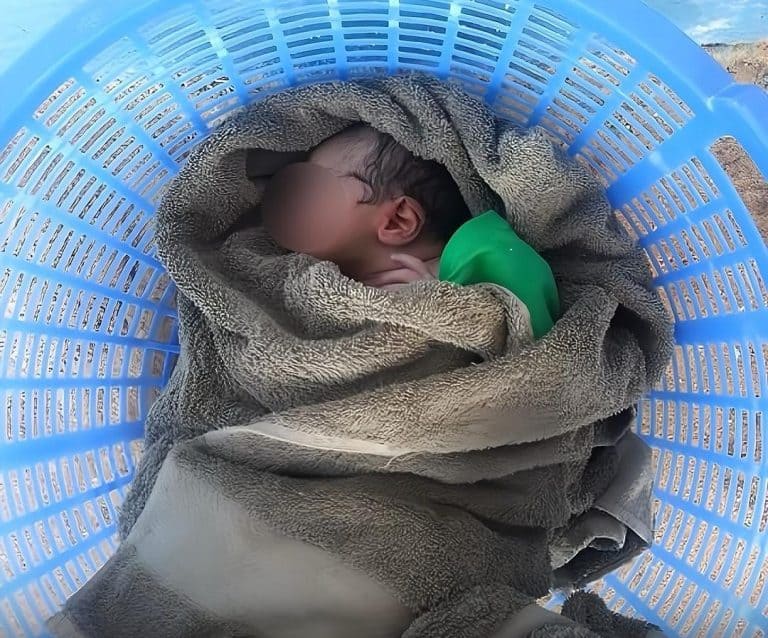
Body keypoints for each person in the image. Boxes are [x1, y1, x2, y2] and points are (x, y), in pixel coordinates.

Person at [260, 125, 559, 338]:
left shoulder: (479, 251)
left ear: (397, 220)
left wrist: (442, 306)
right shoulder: (311, 276)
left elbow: (534, 343)